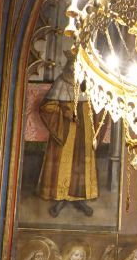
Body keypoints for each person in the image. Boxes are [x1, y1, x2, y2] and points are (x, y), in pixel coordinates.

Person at [36, 60, 98, 218]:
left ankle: (79, 198)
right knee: (63, 160)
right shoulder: (61, 82)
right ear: (68, 66)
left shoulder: (90, 82)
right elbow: (47, 107)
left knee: (82, 161)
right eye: (73, 66)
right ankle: (61, 197)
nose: (75, 69)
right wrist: (65, 112)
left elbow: (99, 105)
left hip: (85, 128)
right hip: (65, 128)